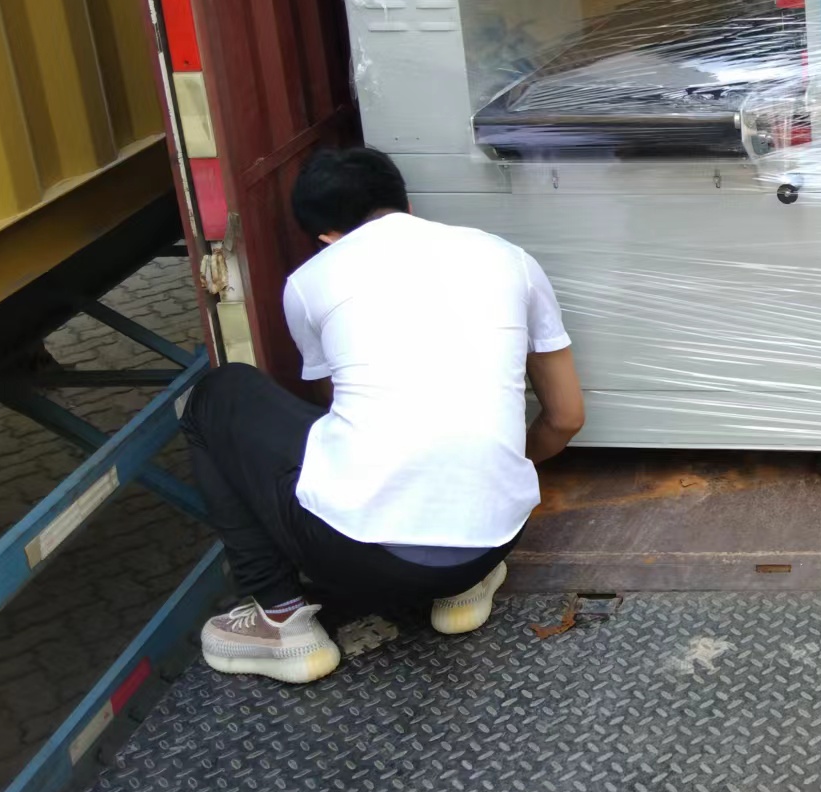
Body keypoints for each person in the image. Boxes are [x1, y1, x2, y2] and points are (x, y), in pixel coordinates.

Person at [183, 147, 584, 682]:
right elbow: (566, 417)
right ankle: (463, 588)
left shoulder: (308, 281)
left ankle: (282, 622)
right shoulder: (511, 259)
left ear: (326, 236)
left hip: (353, 558)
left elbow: (335, 408)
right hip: (493, 541)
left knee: (217, 393)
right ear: (406, 205)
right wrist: (494, 466)